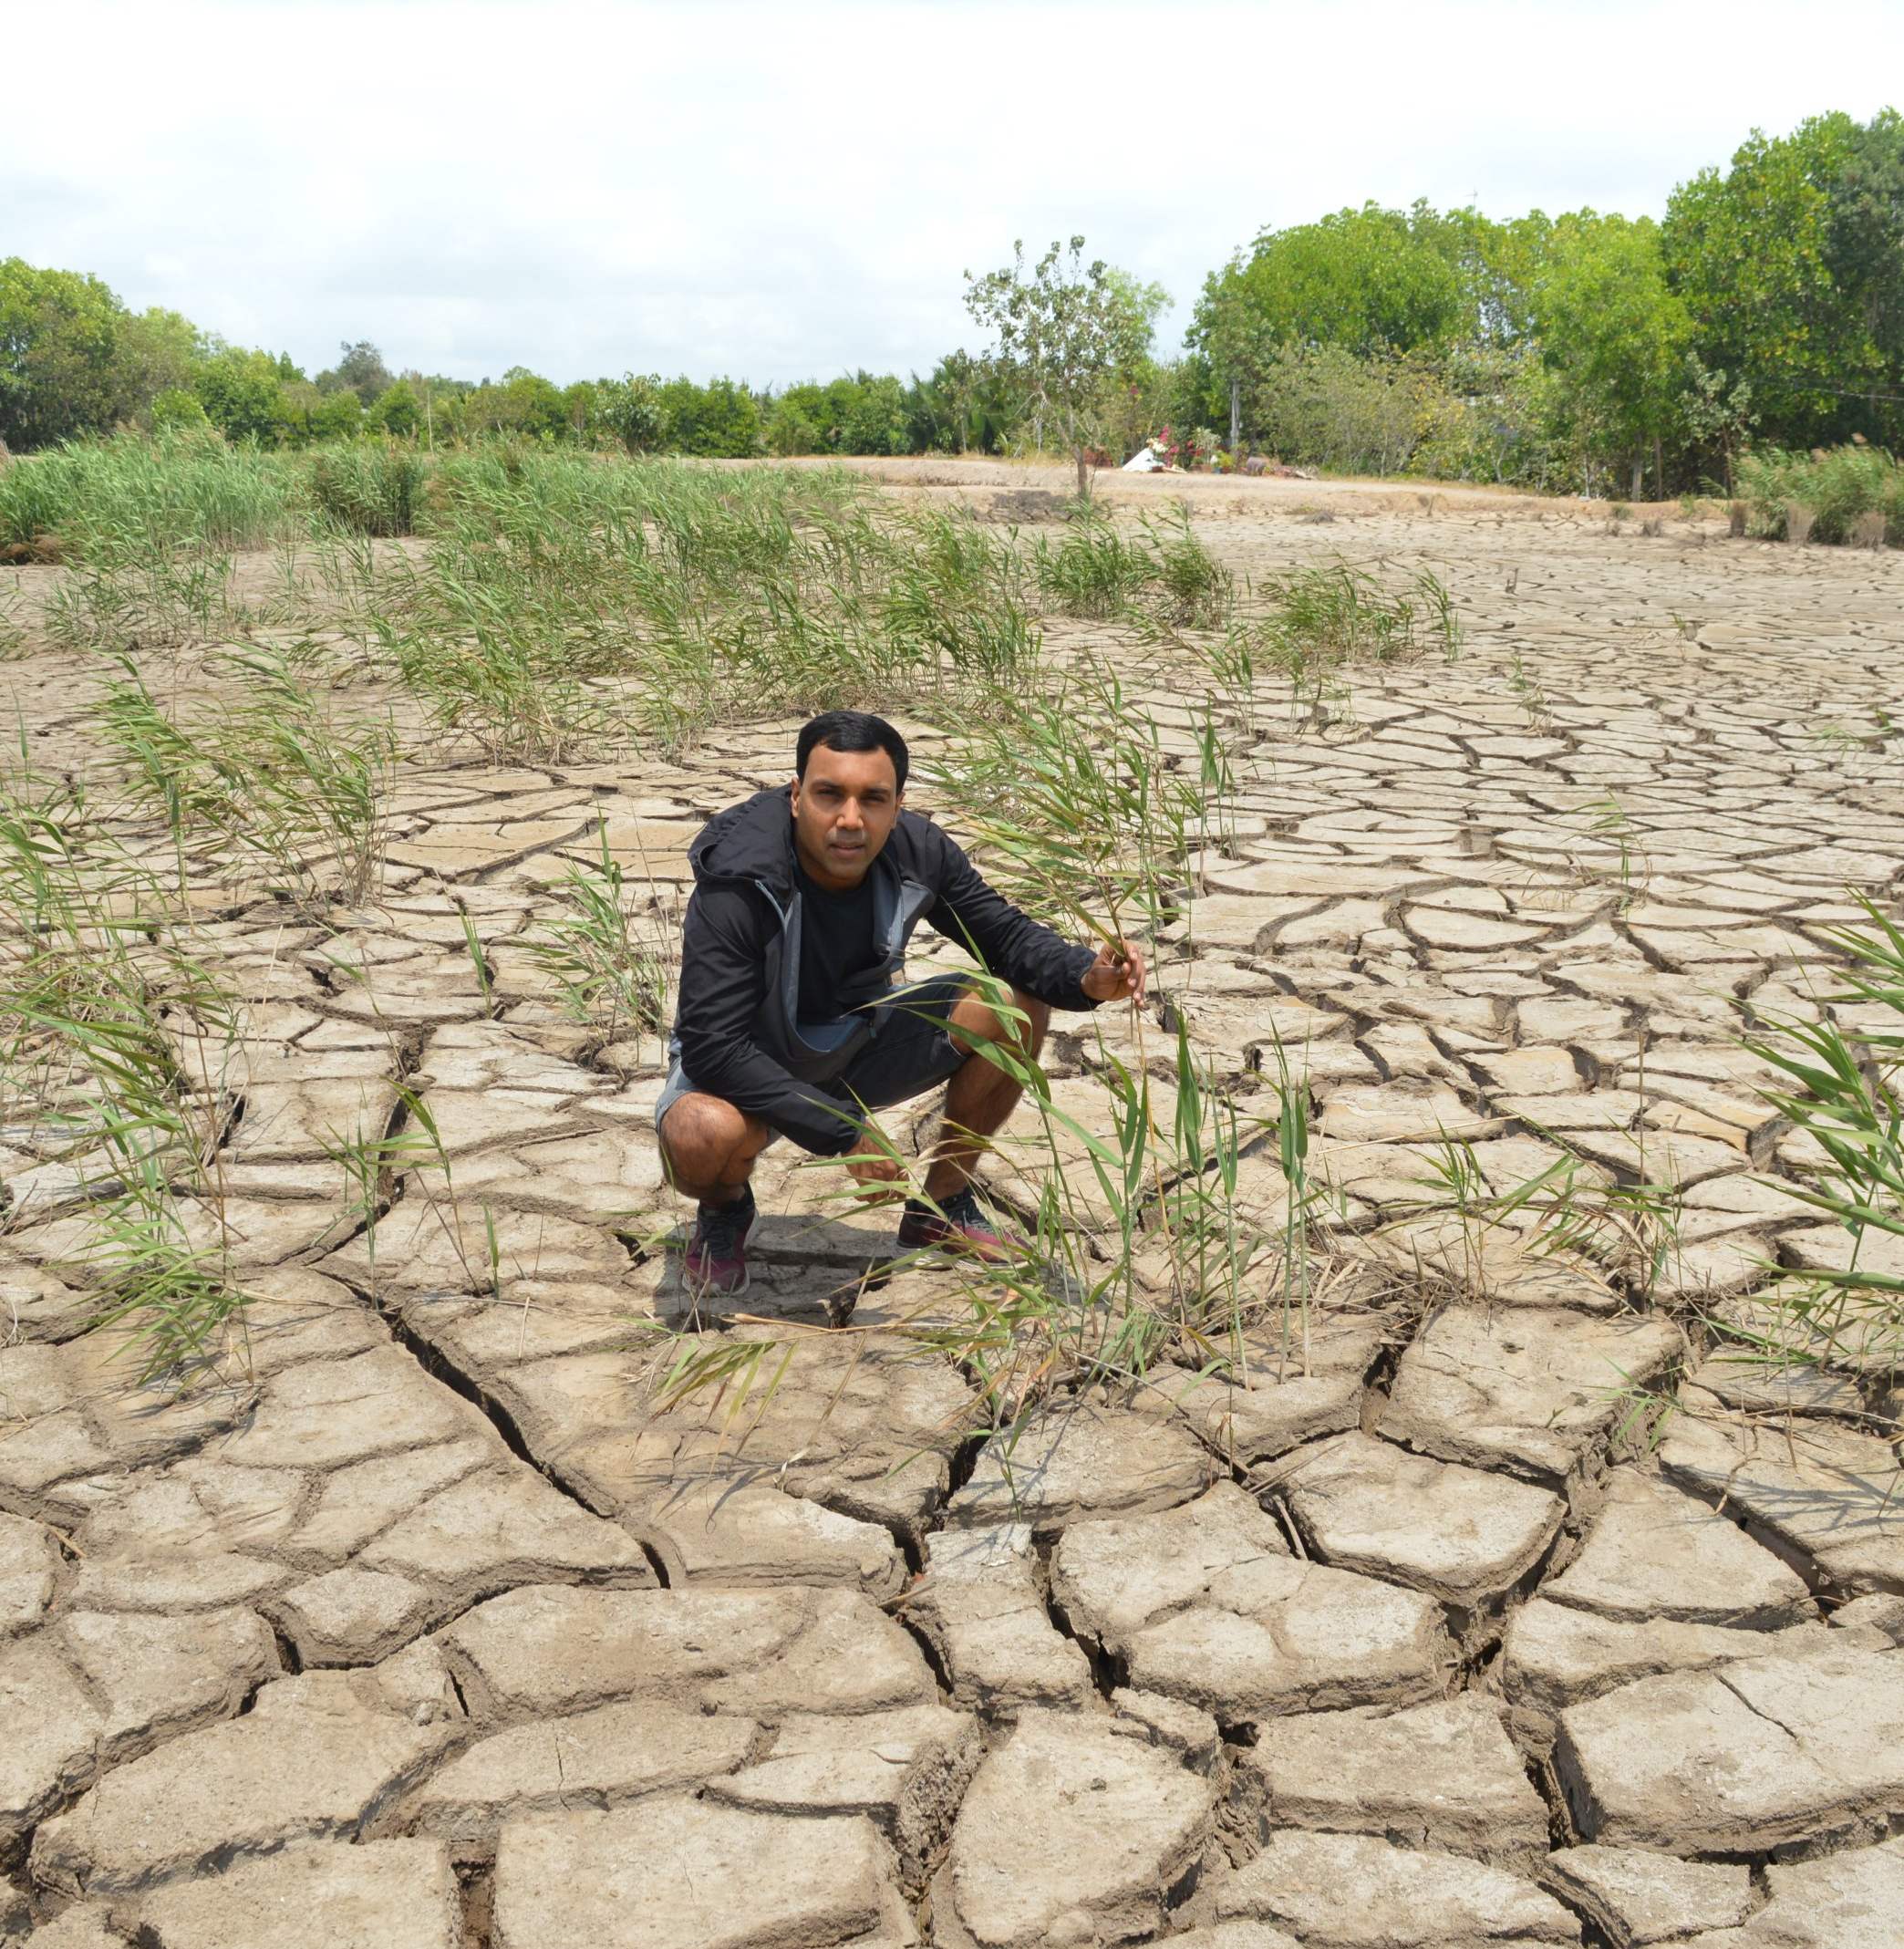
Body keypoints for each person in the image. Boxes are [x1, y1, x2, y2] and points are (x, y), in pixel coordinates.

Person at [656, 710, 1147, 1294]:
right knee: (698, 1133)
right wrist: (844, 1130)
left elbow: (1007, 939)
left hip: (857, 1040)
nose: (849, 819)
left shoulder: (918, 850)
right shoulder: (741, 879)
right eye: (828, 794)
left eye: (872, 799)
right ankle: (725, 1210)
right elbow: (713, 1046)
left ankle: (940, 1207)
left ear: (897, 804)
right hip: (748, 1065)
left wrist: (1084, 977)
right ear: (794, 796)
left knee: (1014, 1002)